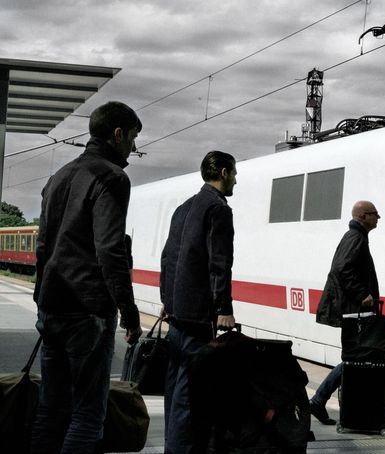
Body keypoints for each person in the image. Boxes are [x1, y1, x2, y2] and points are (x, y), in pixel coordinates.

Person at [30, 101, 143, 454]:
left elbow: (43, 245)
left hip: (52, 306)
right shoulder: (112, 178)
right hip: (87, 311)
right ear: (118, 134)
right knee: (88, 416)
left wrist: (40, 296)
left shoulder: (59, 176)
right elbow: (109, 250)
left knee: (51, 409)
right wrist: (128, 310)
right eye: (133, 138)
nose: (134, 148)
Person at [161, 150, 238, 453]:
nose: (235, 180)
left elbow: (168, 258)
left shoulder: (184, 207)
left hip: (177, 315)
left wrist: (167, 300)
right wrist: (224, 309)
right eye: (233, 173)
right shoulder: (218, 209)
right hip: (198, 318)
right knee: (190, 397)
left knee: (174, 392)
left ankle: (173, 446)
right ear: (222, 172)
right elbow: (219, 263)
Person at [310, 200, 381, 425]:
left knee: (355, 358)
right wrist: (362, 295)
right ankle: (319, 401)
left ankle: (331, 404)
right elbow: (341, 268)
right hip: (354, 312)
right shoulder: (355, 238)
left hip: (354, 311)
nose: (377, 218)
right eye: (374, 214)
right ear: (362, 216)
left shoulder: (357, 236)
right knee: (354, 358)